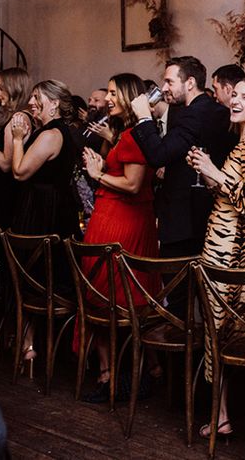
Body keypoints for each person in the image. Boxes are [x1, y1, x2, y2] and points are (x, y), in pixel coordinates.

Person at [188, 77, 245, 438]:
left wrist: (212, 172)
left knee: (225, 331)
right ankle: (221, 412)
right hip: (225, 245)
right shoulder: (242, 141)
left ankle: (227, 414)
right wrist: (208, 175)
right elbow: (230, 194)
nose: (235, 101)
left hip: (234, 251)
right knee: (218, 331)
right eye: (234, 94)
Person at [80, 74, 161, 402]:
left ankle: (116, 376)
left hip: (123, 222)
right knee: (103, 297)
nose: (108, 98)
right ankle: (118, 373)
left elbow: (131, 184)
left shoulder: (136, 135)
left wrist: (98, 175)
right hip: (108, 217)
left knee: (114, 298)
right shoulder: (122, 133)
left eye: (113, 93)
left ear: (128, 96)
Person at [8, 80, 81, 369]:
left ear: (54, 103)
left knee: (32, 274)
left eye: (38, 98)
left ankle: (30, 346)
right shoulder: (61, 131)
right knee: (41, 276)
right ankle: (39, 347)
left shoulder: (51, 134)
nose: (33, 102)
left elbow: (19, 171)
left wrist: (16, 139)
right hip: (55, 209)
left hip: (42, 212)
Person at [130, 56, 232, 261]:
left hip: (185, 220)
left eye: (169, 81)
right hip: (206, 215)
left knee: (178, 288)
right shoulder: (212, 110)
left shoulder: (194, 113)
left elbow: (158, 155)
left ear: (190, 82)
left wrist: (143, 118)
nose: (164, 87)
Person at [0, 68, 32, 229]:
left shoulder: (18, 119)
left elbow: (5, 164)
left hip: (4, 193)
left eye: (0, 87)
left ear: (14, 89)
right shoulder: (20, 116)